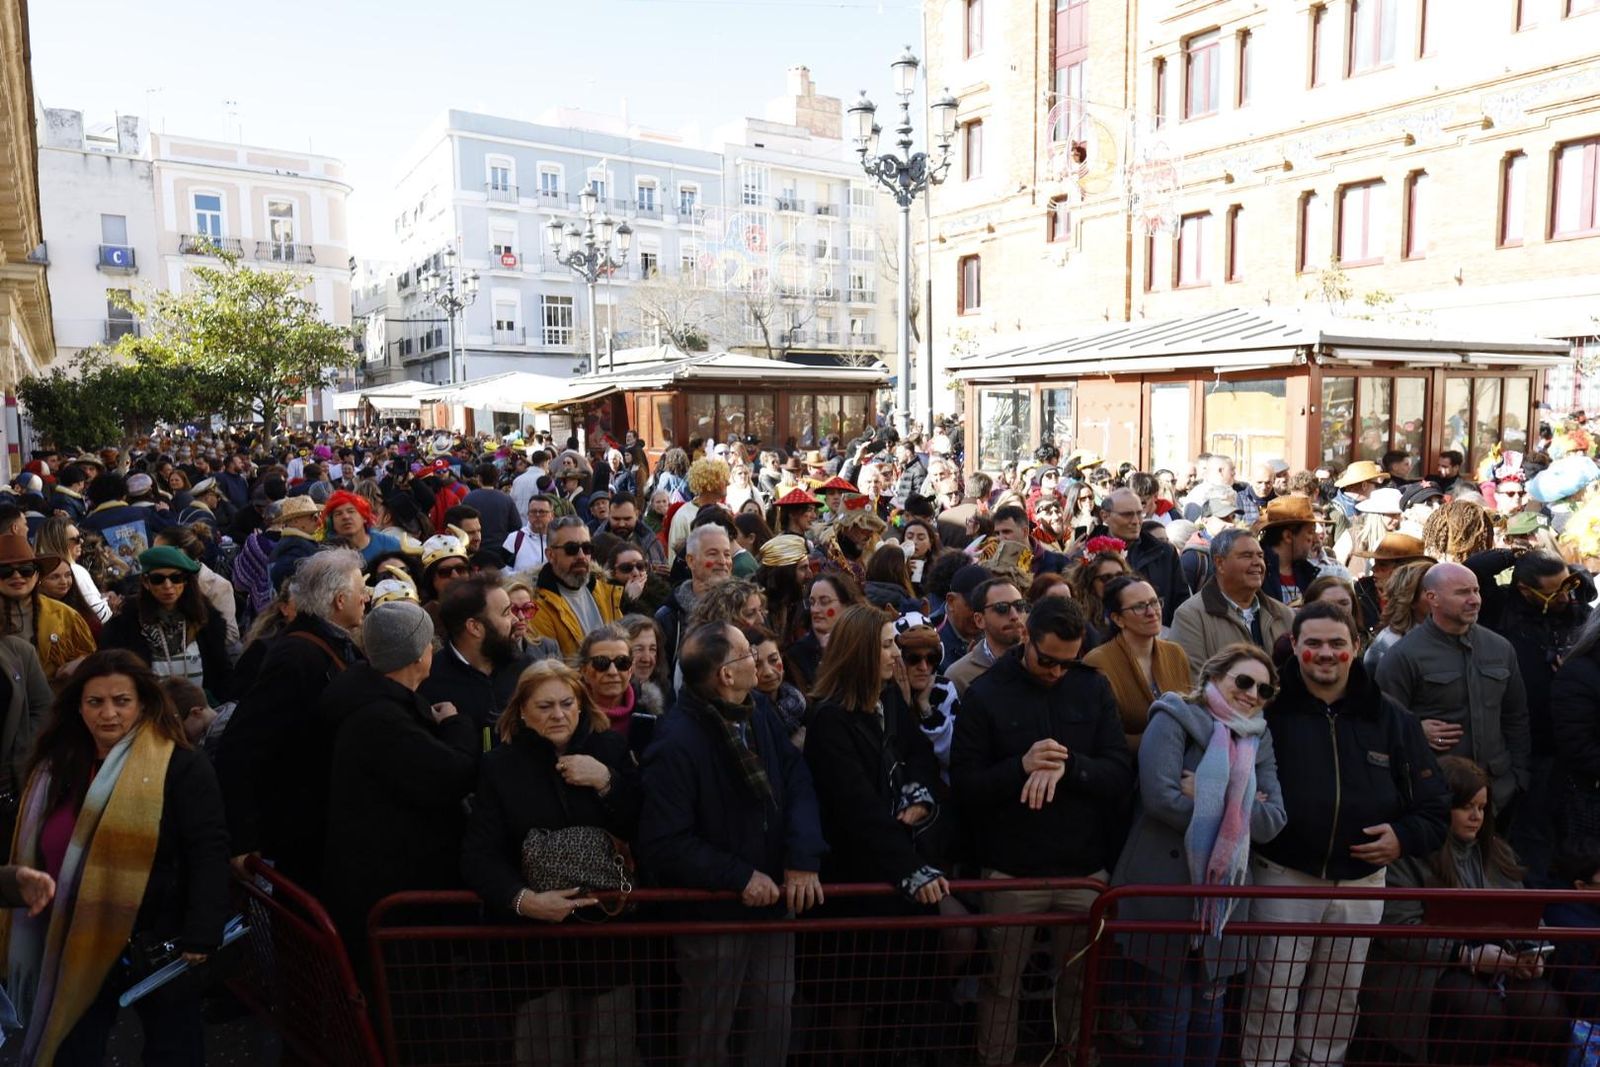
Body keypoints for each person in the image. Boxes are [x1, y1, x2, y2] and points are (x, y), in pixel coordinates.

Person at [1240, 601, 1450, 1067]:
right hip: (1282, 876)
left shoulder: (1391, 718)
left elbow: (1435, 807)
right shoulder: (1266, 711)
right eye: (1313, 643)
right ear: (1294, 647)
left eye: (1337, 643)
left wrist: (1403, 836)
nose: (1326, 653)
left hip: (1362, 884)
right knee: (1272, 994)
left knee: (1338, 997)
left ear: (1357, 647)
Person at [0, 649, 228, 1065]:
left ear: (143, 702)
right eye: (95, 702)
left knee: (173, 1048)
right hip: (71, 934)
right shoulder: (56, 766)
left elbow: (207, 847)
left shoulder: (180, 766)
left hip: (156, 938)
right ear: (77, 706)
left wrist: (202, 931)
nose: (109, 714)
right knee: (73, 1046)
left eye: (121, 701)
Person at [951, 595, 1133, 1064]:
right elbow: (966, 787)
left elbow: (1118, 773)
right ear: (1026, 636)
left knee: (1079, 983)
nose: (1056, 672)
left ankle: (1073, 1055)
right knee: (1002, 987)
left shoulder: (1092, 688)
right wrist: (1022, 766)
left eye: (1067, 664)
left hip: (1084, 871)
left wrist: (1069, 766)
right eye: (1047, 660)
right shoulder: (987, 695)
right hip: (1012, 873)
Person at [636, 622, 825, 1067]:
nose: (758, 662)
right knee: (709, 1026)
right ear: (725, 674)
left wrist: (802, 856)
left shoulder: (758, 710)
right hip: (714, 913)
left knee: (774, 1016)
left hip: (777, 900)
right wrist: (738, 876)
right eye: (747, 655)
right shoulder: (675, 743)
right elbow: (665, 841)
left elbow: (795, 779)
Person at [460, 658, 643, 1067]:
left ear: (581, 704)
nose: (558, 714)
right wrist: (524, 901)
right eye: (544, 707)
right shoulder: (499, 766)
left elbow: (643, 828)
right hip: (532, 943)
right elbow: (480, 854)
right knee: (542, 1051)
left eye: (566, 703)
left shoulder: (610, 749)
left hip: (606, 933)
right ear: (522, 711)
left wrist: (606, 782)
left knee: (608, 1051)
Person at [1111, 644, 1287, 1067]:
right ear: (1216, 675)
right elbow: (1161, 798)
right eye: (1243, 681)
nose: (1251, 694)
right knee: (1168, 1013)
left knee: (1210, 1015)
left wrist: (1218, 794)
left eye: (1262, 690)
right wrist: (1242, 802)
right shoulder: (1173, 716)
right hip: (1165, 891)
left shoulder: (1257, 736)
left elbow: (1274, 819)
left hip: (1222, 906)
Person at [803, 604, 949, 1058]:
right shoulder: (829, 719)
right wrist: (913, 870)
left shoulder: (888, 698)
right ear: (863, 651)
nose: (896, 655)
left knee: (898, 985)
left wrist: (918, 797)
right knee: (851, 991)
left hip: (897, 861)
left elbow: (918, 752)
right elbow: (855, 806)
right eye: (888, 646)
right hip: (855, 874)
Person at [1360, 756, 1568, 1065]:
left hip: (1497, 965)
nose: (1476, 817)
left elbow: (1525, 914)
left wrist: (1530, 951)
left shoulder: (1496, 850)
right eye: (1466, 807)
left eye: (1482, 808)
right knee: (1478, 1011)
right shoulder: (1408, 852)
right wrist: (1464, 956)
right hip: (1425, 970)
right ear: (1442, 805)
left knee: (1546, 1011)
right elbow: (1401, 931)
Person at [320, 600, 480, 951]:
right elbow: (452, 776)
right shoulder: (380, 720)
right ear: (418, 654)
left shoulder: (367, 697)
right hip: (393, 895)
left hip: (386, 884)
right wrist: (456, 725)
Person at [214, 549, 367, 888]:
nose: (366, 598)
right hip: (300, 829)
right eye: (361, 591)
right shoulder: (297, 656)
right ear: (340, 601)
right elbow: (243, 746)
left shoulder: (334, 645)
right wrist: (243, 839)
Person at [1375, 562, 1530, 815]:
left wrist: (1519, 777)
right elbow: (1382, 724)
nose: (1474, 600)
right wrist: (1415, 729)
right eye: (1462, 593)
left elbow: (1516, 718)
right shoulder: (1403, 656)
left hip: (1497, 793)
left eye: (1476, 591)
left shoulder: (1500, 649)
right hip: (1437, 795)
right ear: (1432, 598)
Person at [99, 546, 232, 701]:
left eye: (176, 578)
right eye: (158, 579)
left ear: (186, 581)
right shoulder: (124, 626)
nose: (168, 586)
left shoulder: (207, 622)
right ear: (146, 582)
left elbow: (223, 674)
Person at [1085, 575, 1192, 753]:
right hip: (1128, 770)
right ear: (1118, 619)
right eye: (1139, 607)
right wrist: (1164, 738)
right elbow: (1103, 738)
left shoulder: (1175, 653)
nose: (1152, 612)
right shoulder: (1098, 663)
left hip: (1181, 760)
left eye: (1154, 602)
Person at [1172, 530, 1293, 684]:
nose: (1258, 563)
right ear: (1220, 563)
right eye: (1247, 556)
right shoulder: (1190, 617)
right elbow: (1194, 684)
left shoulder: (1284, 614)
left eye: (1260, 556)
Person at [418, 575, 527, 737]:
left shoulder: (526, 671)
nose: (516, 619)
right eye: (506, 613)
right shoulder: (429, 683)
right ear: (474, 627)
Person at [0, 534, 96, 685]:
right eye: (5, 571)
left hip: (57, 701)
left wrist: (80, 662)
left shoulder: (65, 615)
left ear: (37, 574)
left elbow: (93, 658)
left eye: (26, 570)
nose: (17, 576)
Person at [527, 517, 626, 660]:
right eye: (571, 549)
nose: (581, 556)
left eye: (587, 548)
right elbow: (551, 672)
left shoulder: (605, 590)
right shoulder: (537, 607)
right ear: (550, 555)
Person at [655, 524, 735, 672]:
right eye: (713, 554)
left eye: (727, 554)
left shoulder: (745, 608)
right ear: (691, 561)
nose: (723, 561)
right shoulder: (669, 617)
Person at [1104, 488, 1188, 625]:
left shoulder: (1165, 553)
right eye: (1127, 514)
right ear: (1105, 516)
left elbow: (1181, 602)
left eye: (1139, 514)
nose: (1136, 521)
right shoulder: (1088, 556)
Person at [946, 577, 1028, 698]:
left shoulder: (1043, 662)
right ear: (979, 620)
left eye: (1019, 606)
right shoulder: (959, 676)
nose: (1015, 616)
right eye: (1002, 608)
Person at [33, 517, 111, 626]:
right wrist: (108, 603)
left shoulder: (36, 570)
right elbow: (101, 615)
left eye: (82, 537)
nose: (82, 541)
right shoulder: (75, 570)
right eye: (76, 539)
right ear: (59, 543)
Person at [1257, 496, 1322, 605]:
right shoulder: (1256, 571)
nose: (1315, 539)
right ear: (1288, 536)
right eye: (1310, 532)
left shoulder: (1307, 572)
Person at [322, 489, 401, 565]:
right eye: (338, 514)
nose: (346, 517)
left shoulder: (390, 545)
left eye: (351, 511)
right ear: (332, 523)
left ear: (364, 517)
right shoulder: (327, 556)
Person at [461, 462, 522, 551]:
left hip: (477, 547)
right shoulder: (506, 499)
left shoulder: (469, 498)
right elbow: (516, 526)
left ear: (479, 478)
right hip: (501, 547)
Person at [505, 495, 555, 575]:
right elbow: (503, 573)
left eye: (542, 512)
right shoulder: (514, 539)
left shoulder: (558, 540)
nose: (537, 515)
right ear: (528, 514)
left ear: (552, 515)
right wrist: (527, 576)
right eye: (533, 512)